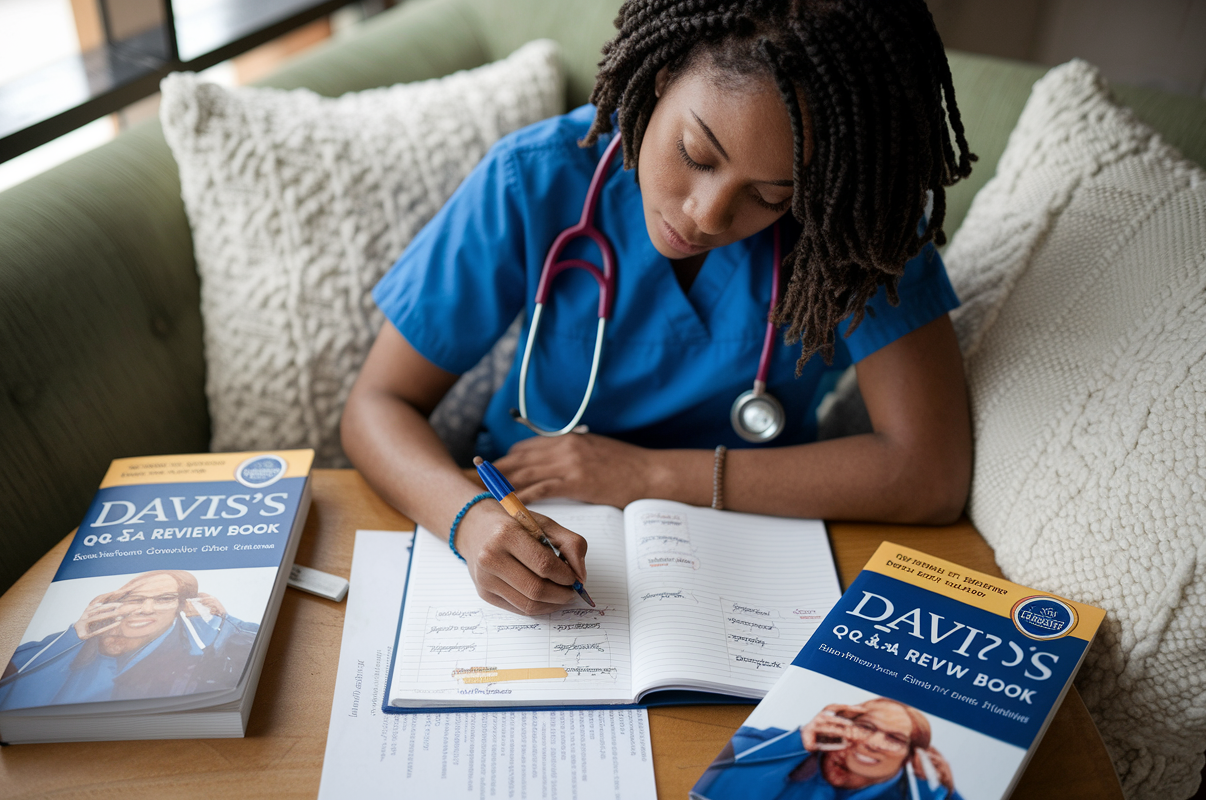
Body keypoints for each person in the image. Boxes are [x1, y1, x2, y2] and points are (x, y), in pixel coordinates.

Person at [341, 0, 975, 616]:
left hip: (754, 553)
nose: (707, 216)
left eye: (771, 195)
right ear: (663, 75)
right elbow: (378, 406)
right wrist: (470, 522)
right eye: (696, 155)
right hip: (529, 520)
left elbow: (929, 472)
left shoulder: (856, 227)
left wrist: (650, 475)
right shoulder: (533, 180)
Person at [0, 570, 258, 712]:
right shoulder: (65, 647)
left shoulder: (202, 645)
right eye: (135, 599)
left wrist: (221, 625)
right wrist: (70, 640)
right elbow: (8, 690)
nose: (147, 609)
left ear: (182, 606)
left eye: (164, 599)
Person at [690, 699, 961, 799]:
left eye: (895, 739)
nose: (872, 743)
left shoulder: (929, 792)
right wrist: (796, 743)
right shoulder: (769, 745)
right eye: (865, 727)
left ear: (913, 757)